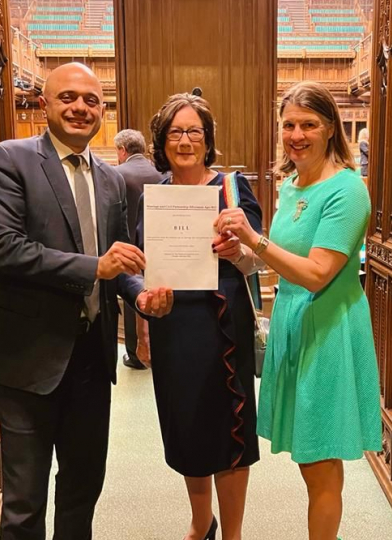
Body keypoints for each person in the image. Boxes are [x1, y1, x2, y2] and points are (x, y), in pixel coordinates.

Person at [0, 62, 173, 540]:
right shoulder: (8, 159)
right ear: (45, 104)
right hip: (28, 358)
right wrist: (93, 268)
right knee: (24, 501)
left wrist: (142, 293)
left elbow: (122, 260)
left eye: (91, 100)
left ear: (102, 110)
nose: (80, 107)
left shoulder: (110, 179)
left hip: (90, 360)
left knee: (83, 490)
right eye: (68, 98)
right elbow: (4, 249)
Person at [216, 81, 381, 540]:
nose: (296, 134)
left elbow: (315, 274)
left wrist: (255, 239)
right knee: (310, 453)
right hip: (293, 321)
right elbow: (276, 261)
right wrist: (239, 253)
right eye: (288, 124)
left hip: (328, 331)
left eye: (308, 124)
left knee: (319, 458)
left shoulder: (348, 190)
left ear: (331, 129)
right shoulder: (291, 185)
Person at [136, 93, 263, 540]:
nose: (185, 140)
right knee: (186, 424)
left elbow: (256, 257)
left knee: (229, 432)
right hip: (172, 326)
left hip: (222, 325)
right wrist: (143, 330)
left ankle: (232, 534)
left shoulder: (231, 187)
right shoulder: (155, 197)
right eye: (176, 132)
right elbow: (143, 267)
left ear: (208, 141)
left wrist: (240, 249)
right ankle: (200, 521)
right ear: (162, 141)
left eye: (195, 132)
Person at [113, 129, 163, 370]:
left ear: (122, 151)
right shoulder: (161, 172)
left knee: (135, 296)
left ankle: (135, 354)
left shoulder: (116, 174)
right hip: (161, 244)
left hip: (130, 245)